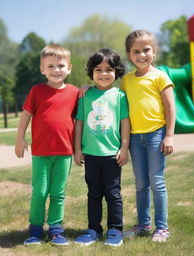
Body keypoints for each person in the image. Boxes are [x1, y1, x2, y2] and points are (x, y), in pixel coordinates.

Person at [15, 44, 79, 246]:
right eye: (50, 66)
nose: (55, 70)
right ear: (42, 69)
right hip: (41, 153)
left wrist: (78, 149)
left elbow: (80, 121)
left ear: (69, 68)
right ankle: (35, 230)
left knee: (58, 193)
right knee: (40, 192)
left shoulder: (75, 93)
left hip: (65, 153)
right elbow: (26, 115)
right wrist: (20, 138)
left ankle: (56, 229)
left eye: (60, 65)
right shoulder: (37, 91)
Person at [121, 30, 176, 242]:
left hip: (156, 135)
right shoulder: (126, 80)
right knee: (140, 182)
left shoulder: (160, 76)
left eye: (146, 50)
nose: (142, 54)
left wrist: (169, 135)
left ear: (154, 51)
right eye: (136, 51)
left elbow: (170, 107)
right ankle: (144, 224)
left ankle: (162, 228)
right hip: (136, 138)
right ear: (129, 54)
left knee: (156, 180)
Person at [74, 48, 130, 247]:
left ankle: (115, 230)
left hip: (112, 156)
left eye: (109, 69)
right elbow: (79, 122)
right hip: (90, 154)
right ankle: (93, 230)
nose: (104, 74)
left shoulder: (120, 96)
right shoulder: (85, 96)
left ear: (116, 72)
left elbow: (125, 123)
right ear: (91, 72)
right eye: (98, 69)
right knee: (94, 193)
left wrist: (124, 148)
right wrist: (77, 149)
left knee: (113, 194)